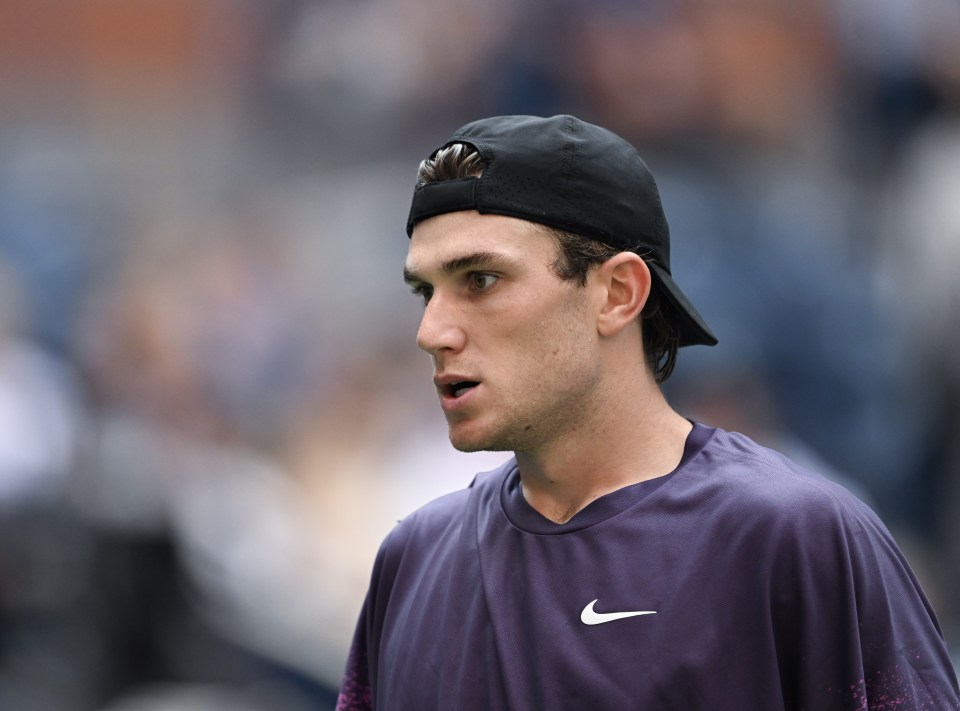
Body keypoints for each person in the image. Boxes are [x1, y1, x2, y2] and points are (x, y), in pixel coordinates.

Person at [335, 114, 960, 710]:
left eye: (481, 279)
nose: (431, 331)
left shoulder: (794, 537)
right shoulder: (411, 561)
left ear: (618, 293)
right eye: (426, 291)